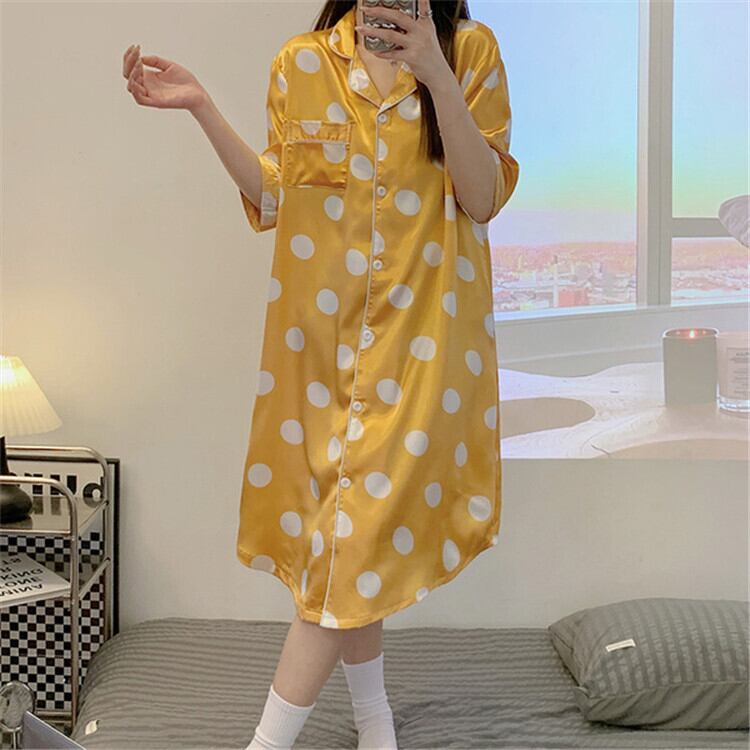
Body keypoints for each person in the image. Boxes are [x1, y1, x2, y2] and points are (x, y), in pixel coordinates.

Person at [122, 0, 519, 747]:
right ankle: (375, 723)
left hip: (423, 356)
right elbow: (277, 193)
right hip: (319, 364)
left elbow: (483, 196)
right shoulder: (301, 62)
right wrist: (201, 107)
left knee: (345, 550)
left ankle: (268, 743)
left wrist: (436, 74)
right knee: (345, 550)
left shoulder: (471, 51)